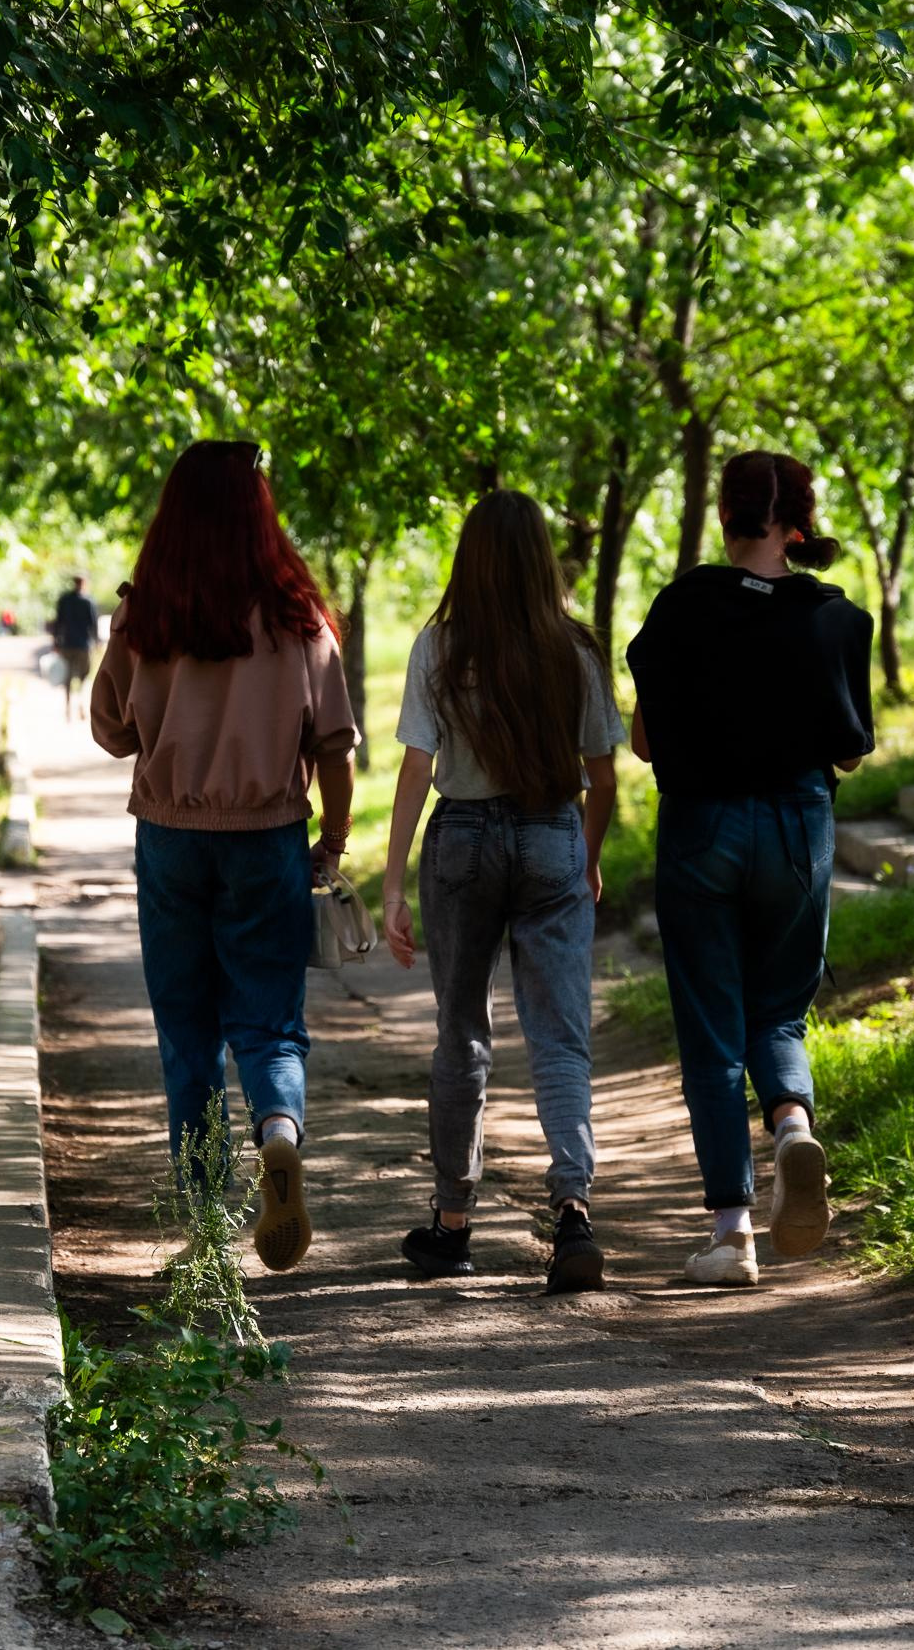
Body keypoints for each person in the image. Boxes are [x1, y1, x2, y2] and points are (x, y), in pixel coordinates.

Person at [90, 440, 357, 1273]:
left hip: (171, 839)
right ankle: (279, 1131)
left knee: (188, 1030)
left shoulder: (146, 616)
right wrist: (334, 841)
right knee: (270, 1022)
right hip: (268, 837)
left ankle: (206, 1226)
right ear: (259, 512)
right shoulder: (298, 618)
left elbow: (110, 730)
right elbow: (337, 746)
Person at [626, 449, 873, 1286]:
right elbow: (849, 753)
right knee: (779, 1015)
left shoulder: (681, 606)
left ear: (725, 517)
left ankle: (732, 1236)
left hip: (702, 828)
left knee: (710, 1031)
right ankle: (794, 1128)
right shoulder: (834, 617)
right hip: (798, 827)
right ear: (797, 523)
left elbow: (643, 740)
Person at [381, 490, 625, 1294]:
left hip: (462, 843)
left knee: (463, 1033)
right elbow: (601, 776)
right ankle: (574, 1211)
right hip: (552, 831)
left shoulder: (439, 647)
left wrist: (392, 885)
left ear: (471, 559)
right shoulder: (576, 652)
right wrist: (584, 858)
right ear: (542, 560)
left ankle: (453, 1224)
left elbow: (417, 767)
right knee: (559, 1034)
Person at [50, 574, 100, 721]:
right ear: (84, 583)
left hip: (67, 644)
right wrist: (96, 642)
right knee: (84, 677)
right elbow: (94, 624)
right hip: (83, 645)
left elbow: (58, 622)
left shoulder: (65, 600)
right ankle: (81, 705)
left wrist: (55, 643)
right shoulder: (88, 601)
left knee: (68, 677)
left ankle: (68, 708)